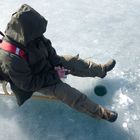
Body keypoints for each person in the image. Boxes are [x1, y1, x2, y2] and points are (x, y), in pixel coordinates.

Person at [0, 4, 118, 122]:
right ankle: (101, 113)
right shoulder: (11, 58)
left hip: (44, 64)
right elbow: (28, 84)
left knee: (71, 61)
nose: (40, 33)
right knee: (65, 92)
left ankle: (101, 70)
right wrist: (56, 75)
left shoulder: (31, 32)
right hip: (36, 79)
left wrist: (57, 64)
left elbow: (48, 47)